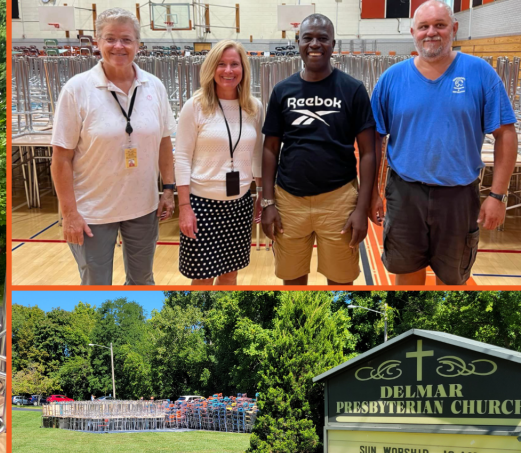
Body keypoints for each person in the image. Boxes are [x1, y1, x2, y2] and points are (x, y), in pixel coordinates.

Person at [370, 0, 518, 285]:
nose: (431, 33)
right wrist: (373, 193)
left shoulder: (480, 73)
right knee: (406, 278)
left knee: (452, 281)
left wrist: (498, 195)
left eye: (440, 25)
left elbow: (505, 134)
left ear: (455, 29)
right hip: (405, 194)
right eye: (424, 26)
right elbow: (375, 137)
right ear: (412, 31)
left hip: (458, 196)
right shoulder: (392, 79)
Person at [51, 8, 177, 285]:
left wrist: (168, 190)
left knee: (143, 281)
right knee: (96, 285)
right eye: (110, 39)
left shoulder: (154, 86)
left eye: (127, 39)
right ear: (97, 42)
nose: (118, 46)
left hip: (143, 208)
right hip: (92, 213)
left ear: (137, 45)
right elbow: (60, 158)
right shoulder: (77, 89)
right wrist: (69, 213)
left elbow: (165, 142)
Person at [260, 13, 376, 285]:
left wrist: (362, 207)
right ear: (297, 42)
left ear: (333, 44)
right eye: (308, 38)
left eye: (322, 38)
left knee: (340, 281)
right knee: (292, 282)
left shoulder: (353, 90)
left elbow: (369, 152)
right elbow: (270, 148)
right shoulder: (282, 91)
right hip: (289, 201)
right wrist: (268, 202)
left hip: (339, 202)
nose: (315, 44)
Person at [174, 40, 264, 285]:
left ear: (243, 69)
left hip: (240, 204)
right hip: (202, 206)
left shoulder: (254, 107)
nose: (228, 70)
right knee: (202, 279)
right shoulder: (195, 106)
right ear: (211, 69)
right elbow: (181, 158)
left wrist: (261, 194)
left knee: (230, 275)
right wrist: (184, 207)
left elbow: (257, 153)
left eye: (235, 64)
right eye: (221, 64)